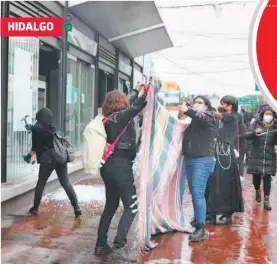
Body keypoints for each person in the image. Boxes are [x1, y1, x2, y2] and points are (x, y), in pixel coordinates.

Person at [95, 84, 149, 262]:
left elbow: (131, 104)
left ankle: (101, 244)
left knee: (111, 206)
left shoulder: (111, 117)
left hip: (109, 167)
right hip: (120, 167)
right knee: (131, 207)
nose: (127, 101)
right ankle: (119, 246)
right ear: (120, 103)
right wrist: (148, 90)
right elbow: (136, 106)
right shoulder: (120, 117)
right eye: (124, 99)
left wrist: (135, 90)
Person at [24, 108, 81, 218]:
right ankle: (76, 207)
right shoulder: (52, 128)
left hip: (47, 159)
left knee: (41, 183)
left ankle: (35, 208)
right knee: (66, 183)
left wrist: (28, 157)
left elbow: (35, 147)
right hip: (60, 158)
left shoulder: (37, 129)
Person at [179, 96, 217, 242]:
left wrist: (189, 109)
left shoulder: (208, 116)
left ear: (206, 106)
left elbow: (200, 116)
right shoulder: (192, 119)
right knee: (194, 192)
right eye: (195, 102)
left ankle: (201, 228)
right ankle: (197, 220)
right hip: (189, 158)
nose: (196, 104)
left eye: (200, 102)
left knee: (197, 192)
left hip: (202, 159)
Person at [205, 95, 244, 225]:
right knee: (212, 181)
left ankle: (227, 213)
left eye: (222, 104)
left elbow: (217, 115)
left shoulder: (233, 116)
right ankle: (210, 212)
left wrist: (201, 109)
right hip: (215, 151)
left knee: (226, 183)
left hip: (226, 153)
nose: (220, 106)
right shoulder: (221, 116)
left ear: (229, 105)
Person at [245, 107, 277, 210]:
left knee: (267, 177)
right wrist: (254, 133)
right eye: (266, 114)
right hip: (256, 155)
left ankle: (266, 200)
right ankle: (257, 190)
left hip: (269, 155)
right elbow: (247, 135)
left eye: (270, 114)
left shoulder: (275, 126)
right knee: (256, 177)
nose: (268, 116)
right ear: (262, 115)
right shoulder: (255, 124)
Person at [237, 113, 248, 181]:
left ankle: (241, 175)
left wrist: (235, 136)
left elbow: (244, 135)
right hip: (235, 145)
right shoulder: (234, 125)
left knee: (240, 160)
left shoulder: (242, 125)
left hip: (242, 146)